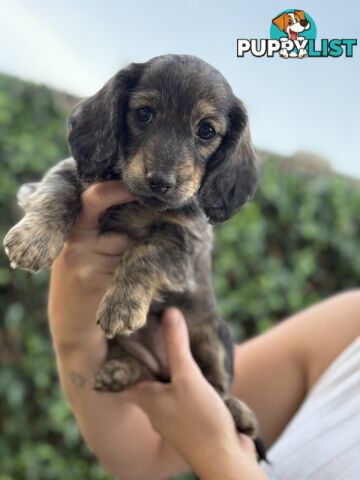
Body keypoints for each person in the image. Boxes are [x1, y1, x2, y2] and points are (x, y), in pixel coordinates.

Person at [48, 180, 360, 480]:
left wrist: (217, 453)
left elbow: (192, 442)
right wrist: (75, 331)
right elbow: (145, 453)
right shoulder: (349, 326)